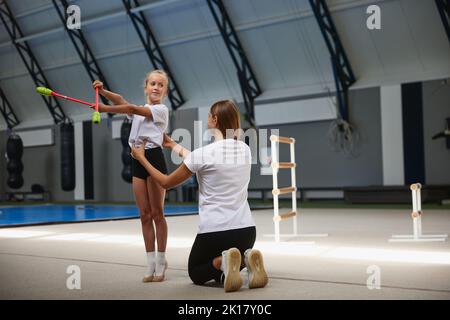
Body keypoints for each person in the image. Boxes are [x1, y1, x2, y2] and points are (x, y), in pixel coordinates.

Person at [131, 100, 268, 292]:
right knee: (230, 258)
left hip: (215, 232)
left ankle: (224, 260)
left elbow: (166, 182)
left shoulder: (203, 154)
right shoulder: (245, 150)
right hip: (246, 232)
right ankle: (245, 259)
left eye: (209, 116)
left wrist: (142, 158)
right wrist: (172, 145)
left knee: (196, 272)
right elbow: (199, 159)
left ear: (214, 119)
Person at [93, 70, 169, 282]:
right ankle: (150, 263)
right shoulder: (139, 111)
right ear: (146, 87)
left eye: (160, 85)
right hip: (136, 158)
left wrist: (104, 108)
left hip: (153, 157)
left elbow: (129, 107)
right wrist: (102, 91)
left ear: (164, 90)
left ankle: (162, 261)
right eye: (152, 83)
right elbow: (122, 101)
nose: (155, 87)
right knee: (144, 214)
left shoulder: (161, 110)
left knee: (157, 213)